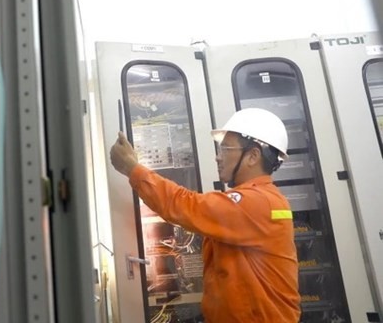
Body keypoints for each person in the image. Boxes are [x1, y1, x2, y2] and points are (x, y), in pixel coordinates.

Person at [110, 107, 300, 323]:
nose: (218, 158)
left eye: (226, 149)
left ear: (253, 156)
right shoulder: (260, 199)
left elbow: (183, 205)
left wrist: (132, 168)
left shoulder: (258, 203)